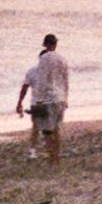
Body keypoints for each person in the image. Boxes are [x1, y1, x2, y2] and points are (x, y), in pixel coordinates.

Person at [31, 33, 70, 164]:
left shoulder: (44, 58)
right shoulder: (63, 59)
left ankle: (52, 157)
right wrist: (66, 97)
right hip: (60, 96)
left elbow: (42, 80)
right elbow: (66, 80)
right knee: (57, 129)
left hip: (48, 98)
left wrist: (39, 99)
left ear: (45, 45)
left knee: (47, 131)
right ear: (55, 44)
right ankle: (57, 156)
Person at [16, 55, 43, 156]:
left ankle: (40, 148)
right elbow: (25, 87)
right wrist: (19, 102)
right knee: (36, 126)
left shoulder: (51, 71)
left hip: (48, 101)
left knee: (48, 127)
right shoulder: (32, 71)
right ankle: (33, 149)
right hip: (36, 102)